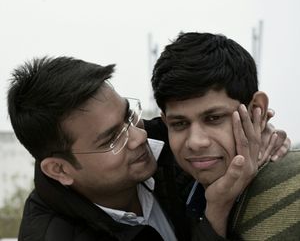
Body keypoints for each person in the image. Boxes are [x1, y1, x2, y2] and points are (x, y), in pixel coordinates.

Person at [8, 56, 289, 241]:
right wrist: (216, 210)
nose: (138, 137)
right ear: (60, 170)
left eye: (129, 116)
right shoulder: (50, 235)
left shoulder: (164, 140)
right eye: (110, 140)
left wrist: (263, 134)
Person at [151, 32, 300, 240]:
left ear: (256, 109)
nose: (196, 142)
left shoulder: (293, 188)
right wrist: (216, 211)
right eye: (180, 124)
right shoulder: (161, 187)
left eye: (214, 118)